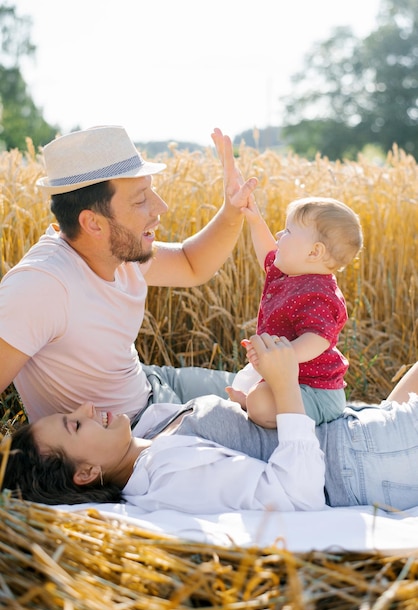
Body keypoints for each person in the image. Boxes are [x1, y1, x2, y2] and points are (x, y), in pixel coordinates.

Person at [0, 125, 258, 425]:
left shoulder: (116, 251)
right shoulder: (41, 286)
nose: (160, 207)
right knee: (279, 420)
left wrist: (232, 209)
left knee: (287, 391)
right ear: (93, 224)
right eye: (140, 199)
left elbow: (191, 264)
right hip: (140, 433)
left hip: (156, 384)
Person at [4, 333, 418, 513]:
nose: (87, 409)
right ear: (87, 474)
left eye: (70, 414)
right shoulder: (167, 477)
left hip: (356, 431)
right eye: (75, 426)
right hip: (360, 462)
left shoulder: (149, 432)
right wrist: (284, 384)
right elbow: (296, 495)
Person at [227, 196, 363, 427]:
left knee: (260, 402)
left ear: (314, 252)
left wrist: (278, 356)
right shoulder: (288, 273)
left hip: (317, 391)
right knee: (251, 388)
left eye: (288, 231)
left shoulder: (319, 294)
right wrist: (255, 219)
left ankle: (253, 403)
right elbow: (268, 253)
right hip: (294, 383)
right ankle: (252, 399)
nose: (279, 235)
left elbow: (317, 339)